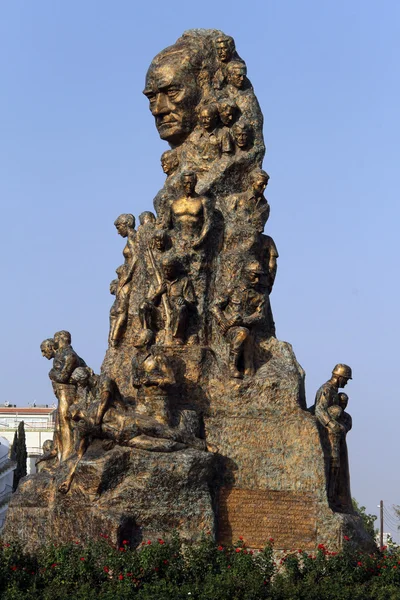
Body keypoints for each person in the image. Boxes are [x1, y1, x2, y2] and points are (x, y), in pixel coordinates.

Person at [212, 261, 265, 378]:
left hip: (247, 328)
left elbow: (260, 315)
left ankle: (248, 367)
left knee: (247, 335)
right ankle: (232, 366)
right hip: (231, 329)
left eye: (259, 277)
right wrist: (223, 321)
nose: (257, 280)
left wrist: (243, 320)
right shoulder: (232, 290)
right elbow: (214, 306)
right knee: (242, 333)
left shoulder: (259, 296)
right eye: (254, 275)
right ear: (245, 274)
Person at [312, 364, 353, 509]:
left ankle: (334, 496)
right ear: (339, 377)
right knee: (333, 464)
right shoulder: (326, 389)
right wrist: (331, 423)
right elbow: (319, 409)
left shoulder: (337, 392)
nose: (346, 382)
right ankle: (329, 497)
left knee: (338, 466)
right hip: (328, 433)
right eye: (346, 379)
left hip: (337, 434)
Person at [140, 255, 196, 345]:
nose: (166, 272)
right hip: (160, 315)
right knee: (143, 306)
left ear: (175, 269)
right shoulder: (158, 282)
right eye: (164, 269)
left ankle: (178, 337)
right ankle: (147, 334)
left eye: (169, 269)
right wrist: (158, 293)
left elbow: (192, 305)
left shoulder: (184, 281)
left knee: (181, 307)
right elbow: (150, 302)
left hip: (176, 315)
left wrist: (184, 301)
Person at [166, 171, 213, 248]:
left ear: (195, 183)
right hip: (177, 244)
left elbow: (208, 223)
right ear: (181, 183)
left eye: (191, 183)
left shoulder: (203, 201)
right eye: (186, 183)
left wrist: (199, 240)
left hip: (196, 242)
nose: (188, 186)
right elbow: (167, 225)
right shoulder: (172, 202)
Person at [110, 214, 137, 346]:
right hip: (126, 276)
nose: (118, 231)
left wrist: (128, 276)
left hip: (128, 279)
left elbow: (136, 258)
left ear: (126, 224)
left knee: (121, 309)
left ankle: (115, 340)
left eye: (119, 227)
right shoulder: (131, 238)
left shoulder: (132, 237)